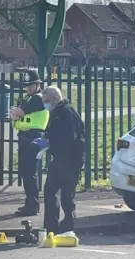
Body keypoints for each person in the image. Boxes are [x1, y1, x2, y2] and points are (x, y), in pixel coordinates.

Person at [41, 86, 85, 235]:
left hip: (70, 160)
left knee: (66, 195)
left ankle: (68, 226)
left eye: (46, 101)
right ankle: (51, 228)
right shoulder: (56, 113)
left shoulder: (66, 113)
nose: (45, 104)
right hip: (60, 159)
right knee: (50, 192)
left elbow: (68, 138)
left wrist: (49, 143)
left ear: (54, 98)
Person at [10, 69, 50, 216]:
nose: (28, 88)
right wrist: (16, 112)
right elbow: (14, 113)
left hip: (33, 137)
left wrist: (16, 112)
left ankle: (32, 206)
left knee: (29, 173)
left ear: (38, 84)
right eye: (27, 85)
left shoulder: (38, 98)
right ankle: (30, 203)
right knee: (26, 172)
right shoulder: (28, 98)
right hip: (25, 137)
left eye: (31, 85)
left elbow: (17, 113)